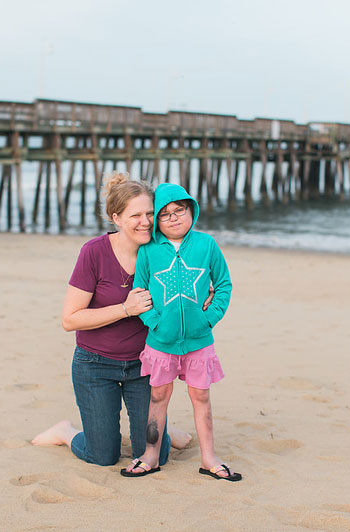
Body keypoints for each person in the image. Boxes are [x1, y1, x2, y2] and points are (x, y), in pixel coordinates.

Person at [31, 174, 192, 465]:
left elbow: (194, 281)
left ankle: (165, 432)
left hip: (145, 364)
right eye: (136, 215)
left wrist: (202, 294)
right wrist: (125, 308)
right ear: (116, 218)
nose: (145, 222)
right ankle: (66, 432)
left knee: (156, 454)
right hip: (95, 365)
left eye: (150, 214)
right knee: (103, 456)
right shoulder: (94, 252)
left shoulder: (164, 250)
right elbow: (70, 319)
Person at [121, 183, 242, 481]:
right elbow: (140, 289)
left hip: (199, 342)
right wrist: (155, 322)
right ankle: (150, 456)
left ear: (191, 211)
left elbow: (223, 285)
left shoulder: (206, 245)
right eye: (165, 215)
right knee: (158, 397)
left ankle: (209, 458)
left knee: (201, 397)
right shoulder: (148, 251)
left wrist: (209, 319)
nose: (174, 218)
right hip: (161, 341)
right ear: (157, 221)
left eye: (180, 211)